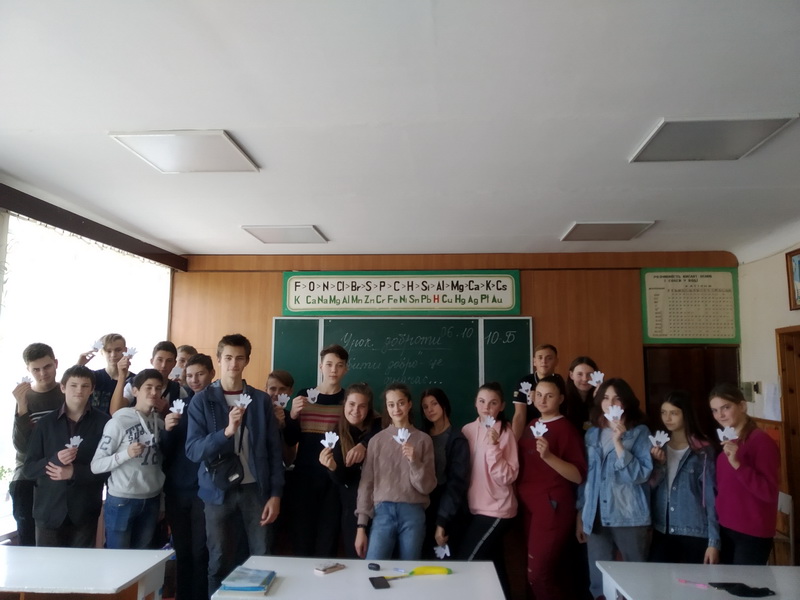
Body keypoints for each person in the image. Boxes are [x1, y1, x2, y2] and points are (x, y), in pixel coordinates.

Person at [185, 333, 283, 596]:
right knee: (219, 560)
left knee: (262, 557)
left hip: (255, 490)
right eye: (228, 357)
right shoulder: (202, 400)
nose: (233, 364)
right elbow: (193, 450)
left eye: (240, 358)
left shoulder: (260, 400)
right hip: (216, 491)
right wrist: (227, 432)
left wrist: (275, 494)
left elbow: (274, 451)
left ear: (247, 361)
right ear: (219, 360)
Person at [577, 378, 652, 600]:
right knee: (599, 582)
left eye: (617, 398)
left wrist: (619, 443)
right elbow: (587, 478)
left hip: (628, 515)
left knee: (635, 581)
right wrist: (581, 512)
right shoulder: (592, 434)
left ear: (626, 402)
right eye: (606, 398)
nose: (611, 403)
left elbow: (640, 475)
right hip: (595, 515)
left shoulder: (639, 432)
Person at [283, 344, 360, 557]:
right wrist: (293, 416)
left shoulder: (349, 402)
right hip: (304, 478)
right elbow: (290, 439)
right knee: (302, 538)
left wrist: (362, 444)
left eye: (339, 365)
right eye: (329, 364)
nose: (333, 370)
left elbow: (366, 429)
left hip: (334, 480)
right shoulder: (304, 396)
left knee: (328, 539)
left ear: (346, 369)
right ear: (320, 367)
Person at [23, 365, 110, 547]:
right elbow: (29, 469)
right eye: (73, 385)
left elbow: (109, 469)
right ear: (63, 387)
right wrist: (53, 460)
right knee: (47, 564)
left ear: (92, 389)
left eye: (85, 386)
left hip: (85, 511)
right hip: (49, 511)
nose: (79, 390)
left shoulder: (105, 423)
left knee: (81, 564)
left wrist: (74, 473)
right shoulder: (45, 424)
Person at [518, 376, 587, 600]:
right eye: (539, 395)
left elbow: (578, 475)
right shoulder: (531, 425)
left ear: (561, 399)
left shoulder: (565, 429)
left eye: (549, 396)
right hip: (529, 506)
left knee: (538, 575)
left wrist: (548, 457)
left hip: (552, 507)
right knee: (534, 574)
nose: (543, 400)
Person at [355, 383, 436, 560]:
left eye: (401, 403)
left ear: (409, 404)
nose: (396, 409)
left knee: (409, 568)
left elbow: (427, 487)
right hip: (382, 511)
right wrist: (361, 526)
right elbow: (367, 483)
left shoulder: (423, 440)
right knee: (373, 566)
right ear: (387, 407)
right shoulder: (376, 441)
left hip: (413, 511)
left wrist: (414, 461)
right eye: (391, 405)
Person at [91, 368, 166, 549]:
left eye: (158, 388)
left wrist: (162, 502)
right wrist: (126, 454)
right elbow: (96, 465)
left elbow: (162, 464)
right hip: (122, 500)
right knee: (118, 558)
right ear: (135, 391)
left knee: (143, 559)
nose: (154, 392)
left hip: (152, 498)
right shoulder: (118, 422)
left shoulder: (160, 423)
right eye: (148, 387)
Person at [458, 382, 518, 600]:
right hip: (475, 508)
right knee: (493, 564)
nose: (487, 407)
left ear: (501, 406)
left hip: (497, 510)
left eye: (493, 403)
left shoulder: (505, 432)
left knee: (467, 563)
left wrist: (494, 447)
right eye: (482, 401)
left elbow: (508, 477)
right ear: (475, 403)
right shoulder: (467, 430)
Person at [161, 353, 214, 600]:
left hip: (205, 490)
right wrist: (168, 430)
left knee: (201, 551)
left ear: (211, 374)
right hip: (177, 489)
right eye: (189, 375)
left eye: (200, 374)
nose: (194, 380)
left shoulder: (217, 406)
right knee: (182, 551)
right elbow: (165, 452)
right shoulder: (178, 406)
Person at [709, 383, 779, 565]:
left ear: (742, 406)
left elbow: (769, 492)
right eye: (715, 410)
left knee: (744, 583)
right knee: (723, 582)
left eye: (726, 407)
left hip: (752, 532)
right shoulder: (728, 441)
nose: (720, 415)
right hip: (725, 527)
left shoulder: (761, 441)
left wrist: (739, 465)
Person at [649, 390, 719, 564]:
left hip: (694, 530)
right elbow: (649, 486)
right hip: (661, 528)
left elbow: (710, 497)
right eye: (664, 412)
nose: (667, 418)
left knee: (692, 580)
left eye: (674, 413)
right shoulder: (658, 447)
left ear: (686, 414)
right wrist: (659, 465)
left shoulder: (702, 450)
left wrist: (713, 542)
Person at [11, 342, 65, 546]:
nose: (43, 373)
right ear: (28, 370)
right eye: (36, 369)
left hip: (59, 473)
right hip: (27, 476)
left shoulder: (67, 392)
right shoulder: (24, 398)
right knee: (27, 538)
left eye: (47, 366)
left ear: (56, 363)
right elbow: (21, 446)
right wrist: (22, 407)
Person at [319, 382, 381, 558]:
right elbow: (342, 479)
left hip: (381, 503)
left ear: (369, 408)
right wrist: (332, 467)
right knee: (356, 556)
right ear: (344, 404)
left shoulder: (380, 425)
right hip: (352, 506)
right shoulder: (336, 434)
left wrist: (364, 444)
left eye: (362, 406)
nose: (356, 410)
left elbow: (385, 431)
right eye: (352, 404)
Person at [419, 387, 470, 559]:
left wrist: (442, 521)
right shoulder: (421, 436)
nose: (430, 410)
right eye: (425, 406)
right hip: (424, 507)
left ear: (444, 405)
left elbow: (457, 483)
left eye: (434, 404)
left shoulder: (457, 439)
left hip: (447, 509)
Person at [113, 341, 188, 413]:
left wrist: (167, 411)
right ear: (152, 361)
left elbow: (185, 418)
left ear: (174, 363)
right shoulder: (135, 383)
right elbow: (115, 411)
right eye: (159, 360)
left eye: (169, 361)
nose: (163, 365)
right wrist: (122, 376)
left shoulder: (178, 390)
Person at [512, 344, 564, 440]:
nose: (544, 361)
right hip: (530, 432)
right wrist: (515, 441)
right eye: (540, 358)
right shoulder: (524, 382)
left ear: (556, 361)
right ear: (534, 361)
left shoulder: (559, 382)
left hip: (554, 432)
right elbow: (519, 415)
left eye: (549, 358)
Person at [78, 333, 130, 414]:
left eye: (118, 350)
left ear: (125, 350)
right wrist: (79, 364)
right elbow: (67, 388)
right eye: (108, 351)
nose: (113, 355)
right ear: (102, 352)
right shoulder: (93, 377)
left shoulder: (134, 380)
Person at [562, 356, 599, 435]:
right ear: (571, 375)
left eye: (589, 374)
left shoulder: (603, 398)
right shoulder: (562, 399)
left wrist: (600, 396)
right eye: (580, 374)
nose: (585, 379)